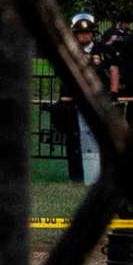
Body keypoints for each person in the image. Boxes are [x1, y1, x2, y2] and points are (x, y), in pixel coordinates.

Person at [54, 11, 96, 180]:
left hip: (94, 102)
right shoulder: (67, 52)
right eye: (80, 33)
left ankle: (95, 176)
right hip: (72, 102)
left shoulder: (102, 50)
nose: (84, 36)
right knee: (73, 141)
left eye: (87, 32)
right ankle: (76, 177)